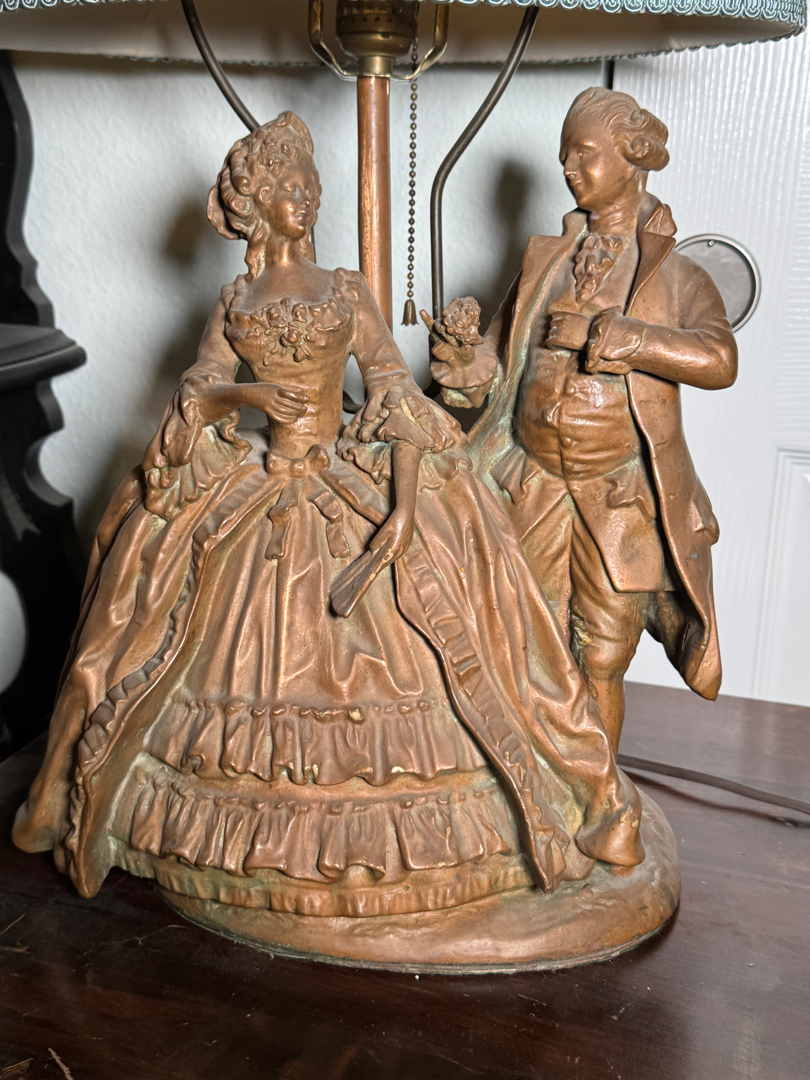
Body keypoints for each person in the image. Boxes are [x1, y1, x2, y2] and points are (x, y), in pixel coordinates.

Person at [14, 112, 643, 919]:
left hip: (346, 476)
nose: (305, 197)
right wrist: (245, 395)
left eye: (310, 184)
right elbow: (198, 392)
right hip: (258, 484)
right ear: (259, 203)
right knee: (140, 589)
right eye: (288, 187)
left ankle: (555, 799)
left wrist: (405, 504)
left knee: (467, 592)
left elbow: (393, 390)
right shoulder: (236, 299)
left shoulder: (345, 290)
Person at [430, 88, 737, 753]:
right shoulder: (545, 261)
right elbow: (498, 360)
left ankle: (598, 793)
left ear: (634, 156)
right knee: (512, 637)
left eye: (584, 153)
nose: (569, 168)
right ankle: (524, 786)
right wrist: (462, 365)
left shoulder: (675, 274)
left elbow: (718, 359)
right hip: (530, 484)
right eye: (564, 156)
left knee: (601, 654)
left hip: (618, 496)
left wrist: (619, 335)